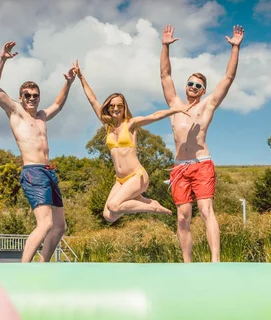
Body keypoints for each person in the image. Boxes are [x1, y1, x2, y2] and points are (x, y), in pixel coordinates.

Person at [160, 24, 244, 263]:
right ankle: (187, 264)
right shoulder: (175, 103)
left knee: (207, 211)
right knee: (182, 217)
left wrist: (235, 49)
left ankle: (215, 262)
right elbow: (165, 76)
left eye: (198, 85)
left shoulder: (208, 105)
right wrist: (165, 46)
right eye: (190, 83)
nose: (193, 87)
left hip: (202, 164)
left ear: (203, 90)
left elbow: (228, 77)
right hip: (179, 168)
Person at [72, 60, 192, 223]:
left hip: (137, 176)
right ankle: (145, 202)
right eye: (112, 106)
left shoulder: (131, 124)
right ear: (108, 107)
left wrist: (176, 110)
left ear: (124, 107)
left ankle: (153, 207)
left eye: (119, 106)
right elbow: (93, 100)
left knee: (114, 206)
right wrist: (81, 77)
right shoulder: (107, 125)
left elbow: (153, 116)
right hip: (120, 180)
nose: (115, 109)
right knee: (108, 216)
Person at [0, 41, 75, 262]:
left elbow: (59, 104)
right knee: (45, 223)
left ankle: (43, 265)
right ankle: (23, 269)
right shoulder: (16, 112)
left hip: (49, 172)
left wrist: (69, 83)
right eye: (27, 95)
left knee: (60, 226)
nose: (32, 98)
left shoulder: (43, 116)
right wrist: (2, 60)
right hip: (33, 172)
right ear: (20, 98)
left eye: (35, 95)